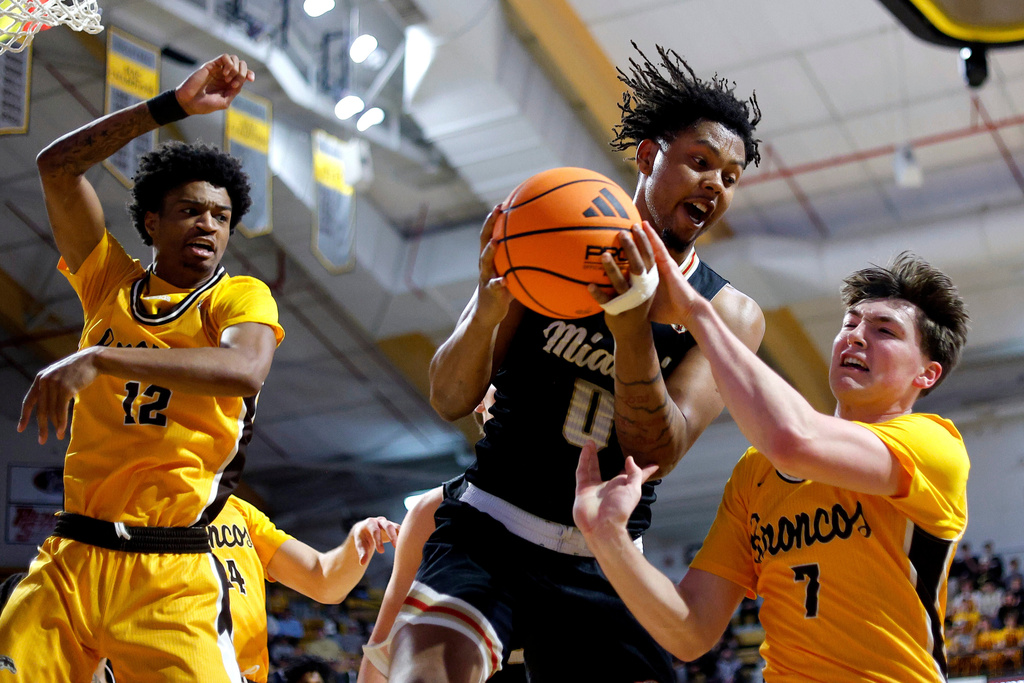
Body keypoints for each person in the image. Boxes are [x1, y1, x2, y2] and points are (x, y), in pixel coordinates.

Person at [391, 43, 766, 682]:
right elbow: (450, 397)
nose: (714, 184)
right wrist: (486, 308)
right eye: (700, 162)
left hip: (606, 558)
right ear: (649, 157)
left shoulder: (728, 312)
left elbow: (659, 452)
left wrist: (631, 332)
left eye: (729, 178)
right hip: (492, 530)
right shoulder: (553, 235)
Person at [0, 54, 284, 682]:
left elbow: (245, 370)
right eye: (190, 210)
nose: (209, 223)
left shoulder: (237, 296)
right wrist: (171, 108)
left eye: (221, 216)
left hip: (171, 571)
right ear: (152, 221)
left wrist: (99, 356)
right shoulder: (107, 282)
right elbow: (56, 166)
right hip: (72, 559)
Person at [575, 241, 970, 682]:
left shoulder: (934, 445)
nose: (856, 335)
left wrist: (700, 315)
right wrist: (608, 539)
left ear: (927, 373)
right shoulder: (756, 472)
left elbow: (793, 438)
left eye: (885, 330)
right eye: (850, 323)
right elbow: (690, 630)